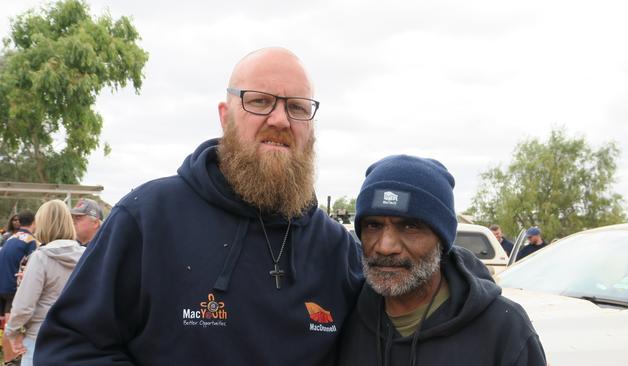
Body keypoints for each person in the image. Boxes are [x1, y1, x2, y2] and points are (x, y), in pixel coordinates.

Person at [36, 47, 363, 365]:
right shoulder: (147, 219)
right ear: (225, 116)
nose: (280, 119)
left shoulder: (337, 250)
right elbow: (70, 347)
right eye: (259, 101)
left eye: (297, 107)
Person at [338, 155, 546, 366]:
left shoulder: (504, 329)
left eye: (409, 227)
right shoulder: (342, 317)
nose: (385, 247)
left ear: (442, 240)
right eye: (373, 225)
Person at [4, 200, 85, 366]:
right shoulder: (87, 256)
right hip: (78, 339)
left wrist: (12, 331)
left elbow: (24, 306)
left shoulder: (41, 257)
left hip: (41, 338)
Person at [0, 211, 37, 365]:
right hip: (12, 288)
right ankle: (10, 360)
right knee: (11, 325)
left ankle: (8, 358)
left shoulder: (10, 238)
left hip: (1, 284)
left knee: (4, 323)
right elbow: (33, 265)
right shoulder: (30, 241)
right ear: (34, 222)